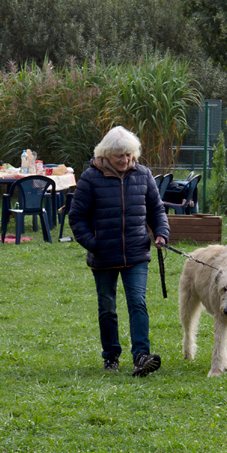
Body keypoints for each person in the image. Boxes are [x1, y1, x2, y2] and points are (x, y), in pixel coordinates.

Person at [69, 126, 170, 376]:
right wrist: (94, 244)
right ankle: (111, 355)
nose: (125, 160)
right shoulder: (90, 178)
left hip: (136, 254)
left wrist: (161, 233)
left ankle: (141, 357)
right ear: (106, 155)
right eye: (118, 156)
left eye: (128, 155)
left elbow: (157, 210)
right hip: (103, 255)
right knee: (107, 306)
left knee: (138, 302)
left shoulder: (144, 175)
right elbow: (77, 217)